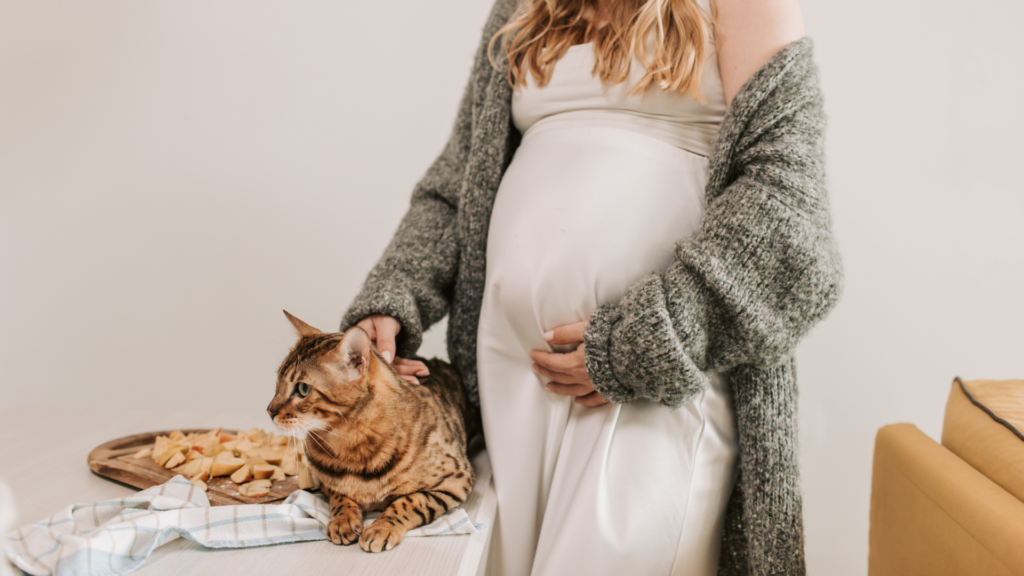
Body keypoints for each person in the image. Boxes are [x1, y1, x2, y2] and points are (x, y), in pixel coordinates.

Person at [341, 0, 842, 574]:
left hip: (656, 389)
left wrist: (641, 346)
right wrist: (393, 297)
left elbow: (791, 222)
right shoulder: (521, 11)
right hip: (516, 391)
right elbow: (456, 189)